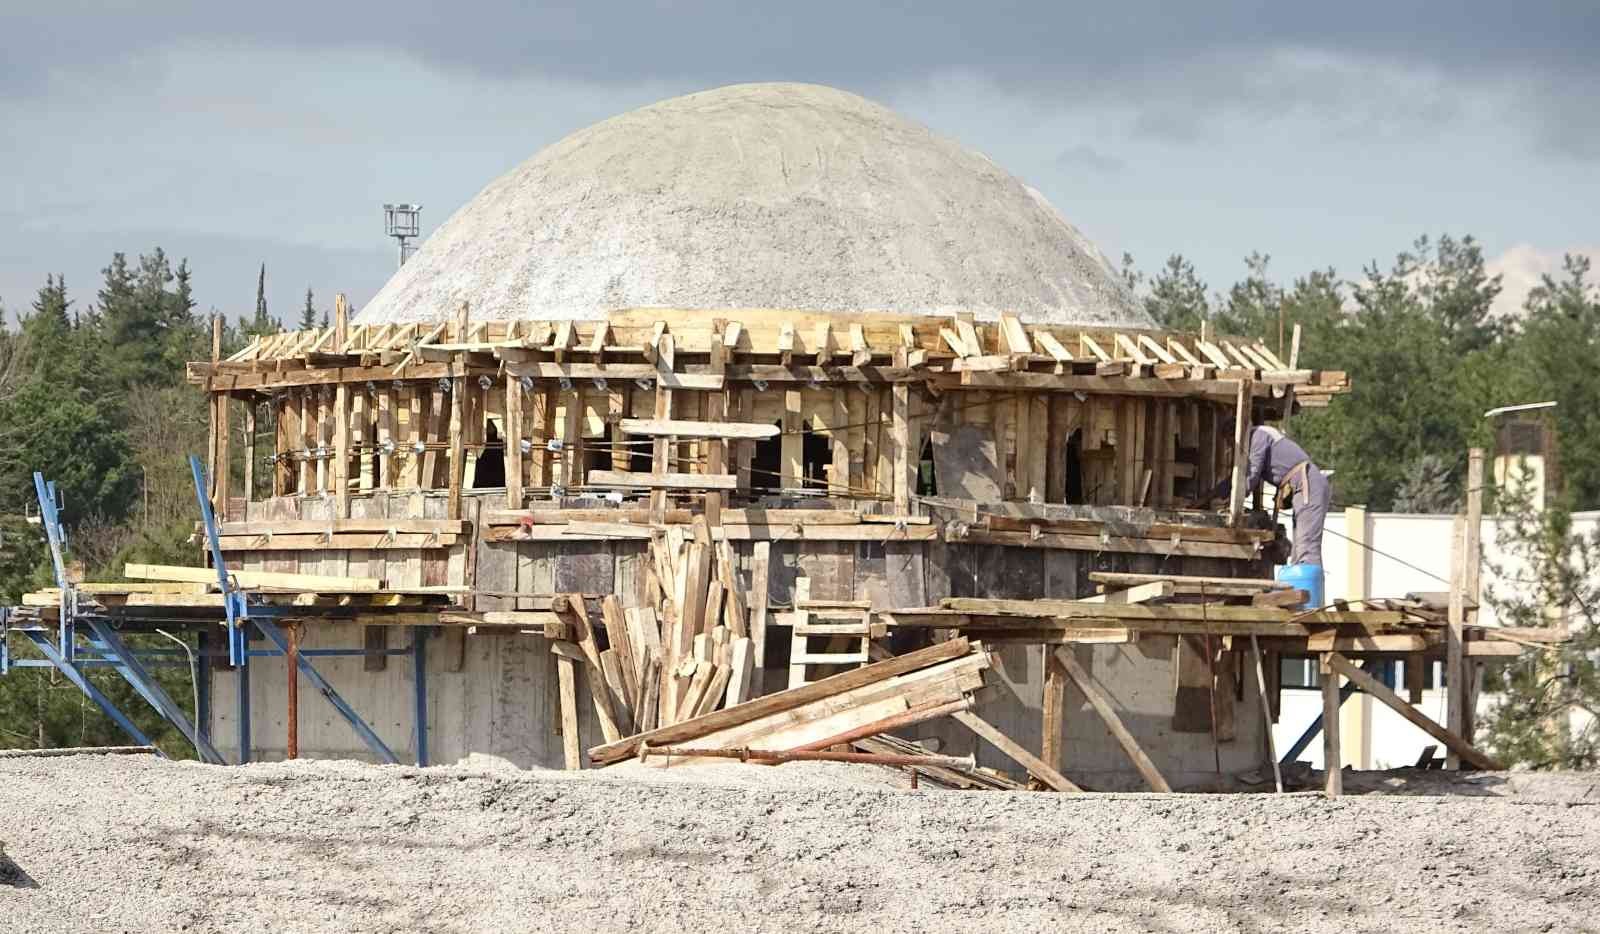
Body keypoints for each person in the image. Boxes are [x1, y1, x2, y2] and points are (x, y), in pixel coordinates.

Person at [1216, 421, 1330, 567]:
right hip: (1303, 487)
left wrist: (1232, 501)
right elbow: (1240, 477)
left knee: (1306, 547)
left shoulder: (1258, 436)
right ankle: (1303, 584)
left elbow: (1250, 476)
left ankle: (1309, 588)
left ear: (1236, 434)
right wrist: (1213, 494)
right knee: (1300, 548)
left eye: (1231, 441)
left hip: (1307, 484)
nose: (1231, 446)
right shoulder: (1258, 438)